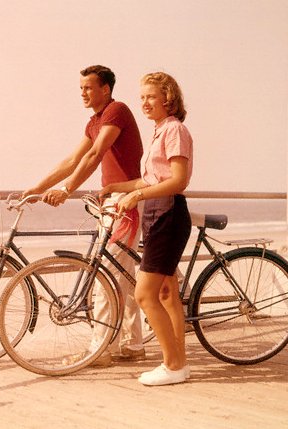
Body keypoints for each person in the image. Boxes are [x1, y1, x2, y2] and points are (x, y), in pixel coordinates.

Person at [22, 65, 145, 365]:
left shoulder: (117, 110)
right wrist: (36, 188)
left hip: (125, 201)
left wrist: (66, 190)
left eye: (88, 88)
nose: (83, 93)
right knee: (122, 274)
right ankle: (132, 344)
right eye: (81, 88)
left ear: (105, 89)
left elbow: (95, 154)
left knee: (106, 274)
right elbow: (73, 159)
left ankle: (101, 350)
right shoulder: (94, 122)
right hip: (112, 201)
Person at [100, 72, 193, 385]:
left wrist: (136, 195)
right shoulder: (159, 131)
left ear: (168, 97)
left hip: (168, 213)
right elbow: (151, 178)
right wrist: (116, 186)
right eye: (141, 97)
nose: (144, 103)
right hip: (156, 212)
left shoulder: (175, 130)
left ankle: (173, 365)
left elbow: (178, 180)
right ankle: (179, 361)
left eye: (151, 96)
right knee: (167, 294)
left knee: (144, 294)